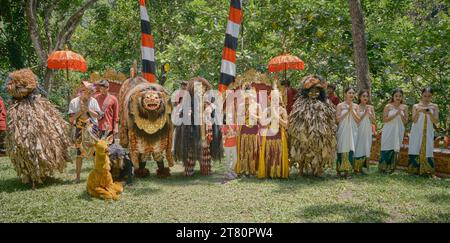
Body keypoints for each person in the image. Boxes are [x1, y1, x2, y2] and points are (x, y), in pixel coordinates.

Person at [288, 75, 337, 177]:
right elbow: (295, 117)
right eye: (311, 91)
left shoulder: (325, 104)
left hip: (320, 133)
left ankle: (318, 169)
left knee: (319, 149)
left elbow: (330, 118)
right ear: (306, 91)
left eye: (316, 91)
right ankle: (301, 169)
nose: (314, 93)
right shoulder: (300, 103)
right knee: (302, 147)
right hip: (303, 131)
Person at [69, 81, 101, 183]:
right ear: (81, 91)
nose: (87, 93)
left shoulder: (93, 101)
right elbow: (71, 119)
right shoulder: (74, 102)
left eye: (90, 92)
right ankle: (78, 177)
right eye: (85, 91)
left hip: (93, 128)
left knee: (95, 153)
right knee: (79, 153)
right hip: (79, 128)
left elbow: (98, 116)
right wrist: (80, 112)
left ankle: (97, 176)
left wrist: (88, 110)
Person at [408, 87, 439, 176]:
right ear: (421, 95)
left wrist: (430, 113)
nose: (426, 98)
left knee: (428, 147)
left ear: (432, 96)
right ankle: (414, 170)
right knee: (415, 146)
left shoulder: (434, 106)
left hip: (428, 130)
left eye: (429, 96)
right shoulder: (416, 106)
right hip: (416, 130)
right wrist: (419, 111)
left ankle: (426, 170)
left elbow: (436, 121)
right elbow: (414, 120)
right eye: (425, 96)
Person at [257, 93, 289, 179]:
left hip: (279, 136)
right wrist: (271, 118)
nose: (275, 101)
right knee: (268, 152)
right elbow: (262, 123)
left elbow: (286, 125)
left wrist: (277, 117)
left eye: (276, 99)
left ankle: (278, 173)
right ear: (270, 100)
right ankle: (268, 173)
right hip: (268, 136)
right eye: (273, 99)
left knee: (278, 153)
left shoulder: (283, 110)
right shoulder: (266, 110)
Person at [379, 88, 408, 173]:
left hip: (399, 129)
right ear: (393, 96)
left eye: (400, 96)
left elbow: (405, 121)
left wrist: (401, 114)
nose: (398, 98)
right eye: (396, 96)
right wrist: (396, 114)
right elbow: (384, 120)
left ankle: (391, 168)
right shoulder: (388, 106)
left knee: (395, 147)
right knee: (387, 145)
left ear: (402, 97)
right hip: (388, 129)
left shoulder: (405, 107)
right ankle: (383, 168)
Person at [336, 87, 360, 179]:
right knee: (341, 148)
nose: (351, 95)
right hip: (342, 130)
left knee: (350, 149)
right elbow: (337, 120)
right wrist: (347, 111)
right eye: (349, 93)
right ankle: (339, 171)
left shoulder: (356, 106)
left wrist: (352, 110)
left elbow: (358, 120)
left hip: (352, 130)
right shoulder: (340, 105)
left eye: (353, 93)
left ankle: (347, 171)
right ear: (345, 94)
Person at [354, 90, 375, 174]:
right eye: (363, 96)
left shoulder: (371, 107)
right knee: (358, 146)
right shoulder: (356, 107)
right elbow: (357, 121)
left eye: (367, 96)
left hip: (367, 129)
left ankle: (363, 167)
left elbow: (373, 121)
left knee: (366, 146)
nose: (365, 98)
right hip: (359, 129)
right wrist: (365, 113)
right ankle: (356, 167)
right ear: (359, 97)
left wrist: (370, 114)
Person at [222, 113, 238, 180]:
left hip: (234, 145)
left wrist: (232, 133)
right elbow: (223, 137)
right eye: (229, 118)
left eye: (231, 118)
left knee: (235, 159)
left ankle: (231, 170)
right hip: (227, 146)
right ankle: (228, 173)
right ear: (225, 119)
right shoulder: (224, 127)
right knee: (228, 160)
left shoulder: (234, 125)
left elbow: (236, 134)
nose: (230, 119)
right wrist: (227, 135)